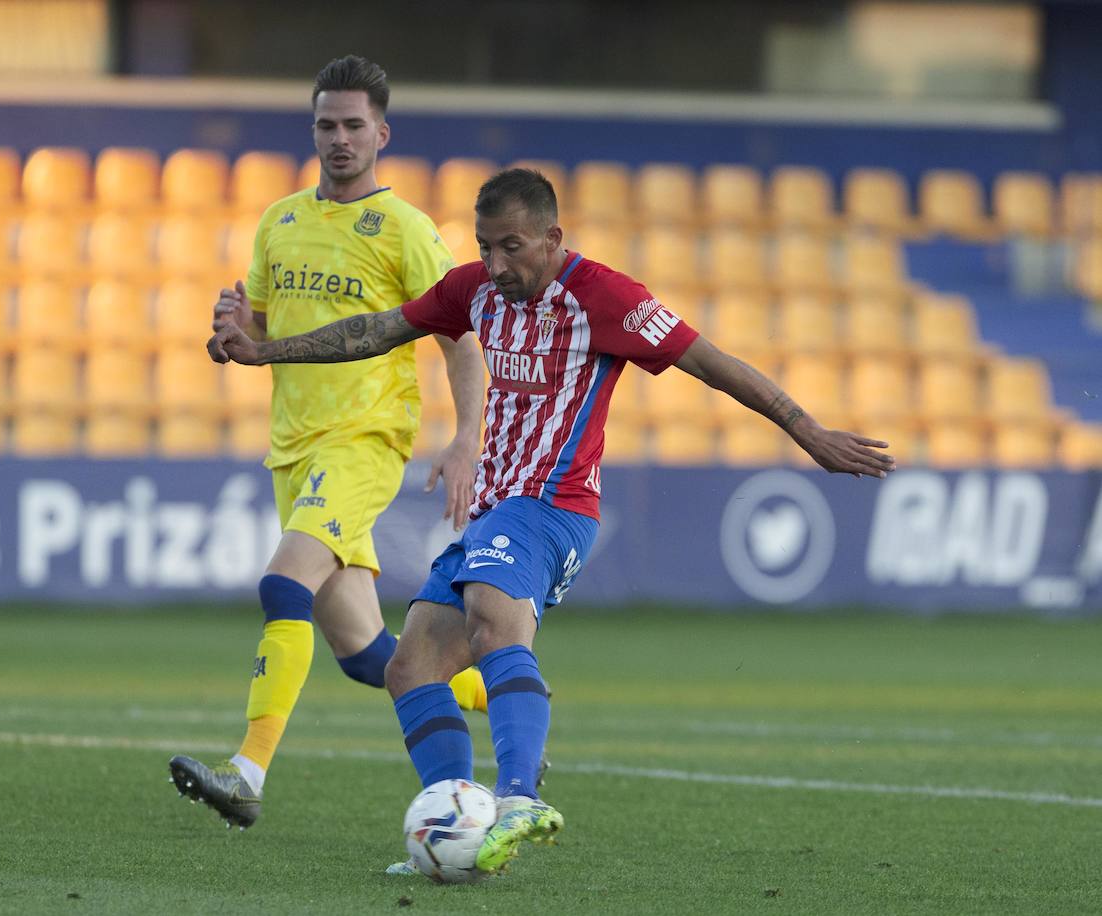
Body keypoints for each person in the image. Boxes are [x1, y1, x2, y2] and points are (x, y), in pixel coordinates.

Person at [206, 167, 898, 872]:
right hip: (494, 512)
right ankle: (457, 831)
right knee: (411, 667)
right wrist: (264, 351)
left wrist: (807, 430)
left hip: (555, 505)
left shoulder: (607, 298)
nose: (496, 264)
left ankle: (519, 797)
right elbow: (375, 330)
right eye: (484, 246)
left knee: (492, 613)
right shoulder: (473, 288)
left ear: (552, 237)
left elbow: (712, 364)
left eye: (511, 246)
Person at [168, 55, 492, 831]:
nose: (339, 138)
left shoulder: (408, 232)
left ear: (382, 133)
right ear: (312, 130)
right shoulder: (279, 221)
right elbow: (267, 331)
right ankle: (499, 686)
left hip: (363, 439)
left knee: (283, 585)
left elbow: (459, 341)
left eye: (354, 125)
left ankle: (246, 775)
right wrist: (234, 336)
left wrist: (467, 438)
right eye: (326, 124)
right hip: (293, 447)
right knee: (370, 655)